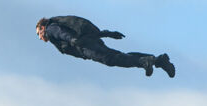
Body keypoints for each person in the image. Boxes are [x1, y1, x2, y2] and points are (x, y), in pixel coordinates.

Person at [36, 16, 175, 78]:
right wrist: (108, 34)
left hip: (85, 46)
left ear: (42, 27)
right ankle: (158, 60)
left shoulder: (50, 29)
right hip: (89, 42)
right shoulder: (57, 23)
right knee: (118, 56)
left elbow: (62, 34)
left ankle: (145, 61)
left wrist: (73, 40)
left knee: (111, 59)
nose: (40, 37)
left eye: (38, 33)